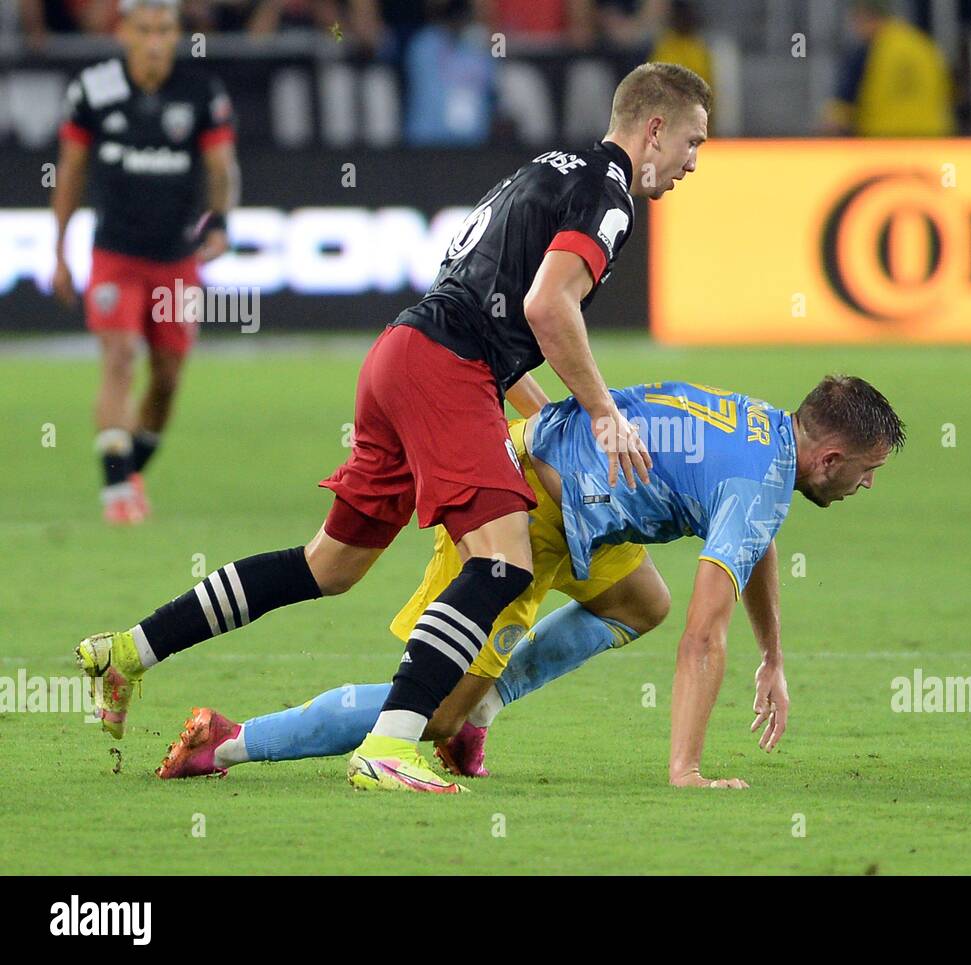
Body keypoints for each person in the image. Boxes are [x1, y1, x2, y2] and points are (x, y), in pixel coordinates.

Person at [76, 62, 713, 794]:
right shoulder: (608, 196)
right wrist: (603, 415)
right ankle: (390, 745)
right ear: (654, 127)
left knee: (327, 566)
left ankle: (127, 650)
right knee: (501, 561)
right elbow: (547, 308)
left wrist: (548, 420)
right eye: (692, 142)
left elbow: (497, 309)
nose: (694, 162)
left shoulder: (545, 168)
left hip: (400, 355)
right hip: (445, 365)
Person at [156, 376, 906, 790]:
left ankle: (484, 702)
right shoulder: (762, 479)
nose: (868, 486)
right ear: (832, 458)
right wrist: (687, 771)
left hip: (582, 504)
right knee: (431, 716)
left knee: (642, 600)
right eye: (870, 471)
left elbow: (754, 542)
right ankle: (227, 742)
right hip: (523, 505)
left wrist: (773, 654)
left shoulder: (768, 434)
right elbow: (703, 638)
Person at [50, 0, 238, 524]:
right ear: (124, 32)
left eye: (164, 29)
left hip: (177, 260)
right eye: (144, 30)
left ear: (176, 33)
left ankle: (128, 471)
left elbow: (222, 168)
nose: (155, 40)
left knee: (168, 378)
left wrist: (219, 222)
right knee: (118, 358)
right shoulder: (93, 89)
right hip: (115, 254)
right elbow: (70, 172)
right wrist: (60, 252)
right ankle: (117, 493)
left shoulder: (201, 91)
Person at [820, 0, 954, 137]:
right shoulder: (924, 45)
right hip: (931, 137)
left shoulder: (870, 50)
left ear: (866, 17)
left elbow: (843, 105)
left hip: (883, 138)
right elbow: (949, 91)